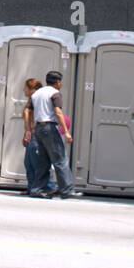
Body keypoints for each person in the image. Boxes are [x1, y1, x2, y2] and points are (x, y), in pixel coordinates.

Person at [27, 71, 81, 199]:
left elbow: (28, 111)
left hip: (39, 128)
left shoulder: (36, 94)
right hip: (50, 128)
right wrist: (66, 131)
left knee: (43, 162)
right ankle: (66, 190)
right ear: (57, 82)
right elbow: (58, 112)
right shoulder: (54, 93)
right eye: (60, 82)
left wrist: (29, 129)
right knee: (60, 160)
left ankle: (37, 189)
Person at [22, 77, 56, 196]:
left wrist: (28, 131)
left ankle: (49, 186)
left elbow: (28, 114)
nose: (24, 90)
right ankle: (32, 187)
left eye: (26, 87)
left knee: (37, 162)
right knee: (29, 163)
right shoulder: (32, 99)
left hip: (35, 134)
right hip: (31, 134)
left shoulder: (35, 99)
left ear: (32, 89)